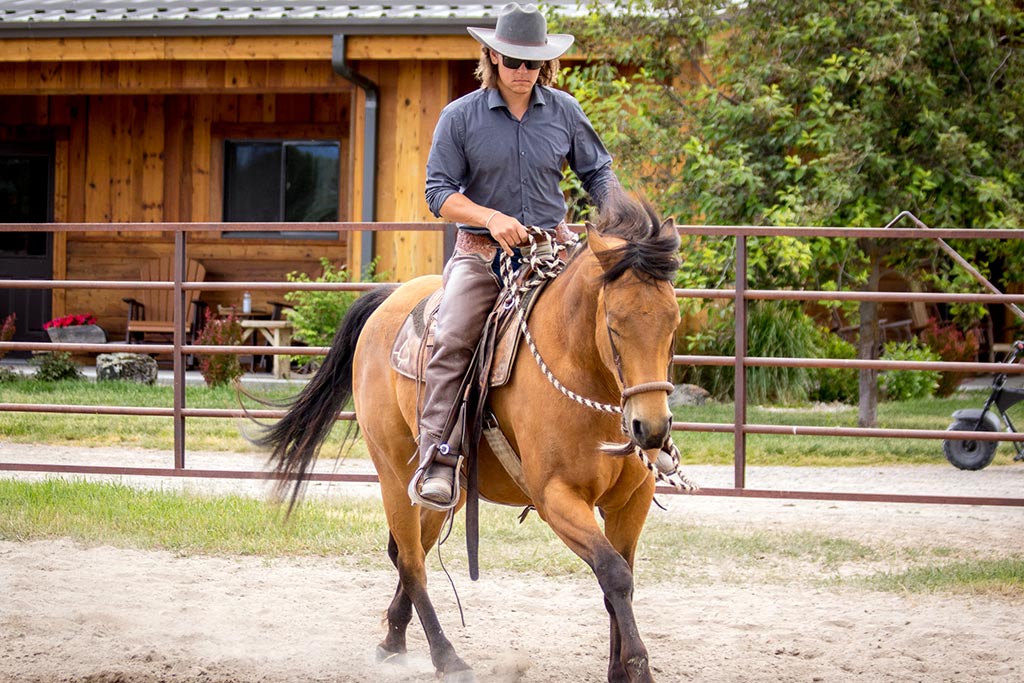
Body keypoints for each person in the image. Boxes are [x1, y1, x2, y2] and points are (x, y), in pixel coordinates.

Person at [411, 2, 620, 510]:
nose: (523, 72)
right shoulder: (459, 117)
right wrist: (489, 217)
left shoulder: (565, 111)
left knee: (622, 314)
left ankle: (647, 442)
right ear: (492, 58)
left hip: (555, 250)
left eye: (534, 64)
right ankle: (438, 458)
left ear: (545, 66)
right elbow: (438, 192)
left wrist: (621, 224)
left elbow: (598, 174)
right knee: (454, 335)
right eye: (513, 62)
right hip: (482, 255)